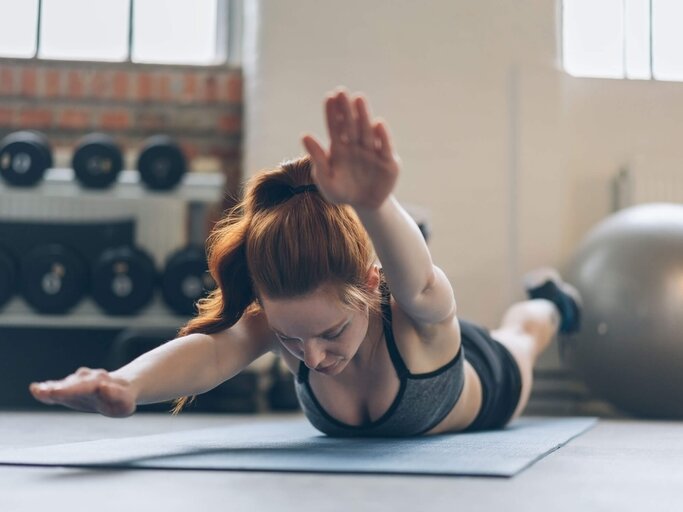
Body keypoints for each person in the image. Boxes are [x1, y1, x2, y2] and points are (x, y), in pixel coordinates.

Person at [29, 89, 581, 436]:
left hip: (486, 380)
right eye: (292, 340)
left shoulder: (419, 312)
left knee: (525, 332)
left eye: (330, 331)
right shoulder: (288, 323)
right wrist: (123, 385)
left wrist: (373, 203)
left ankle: (550, 300)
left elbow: (418, 283)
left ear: (368, 285)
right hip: (384, 287)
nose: (312, 356)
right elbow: (212, 353)